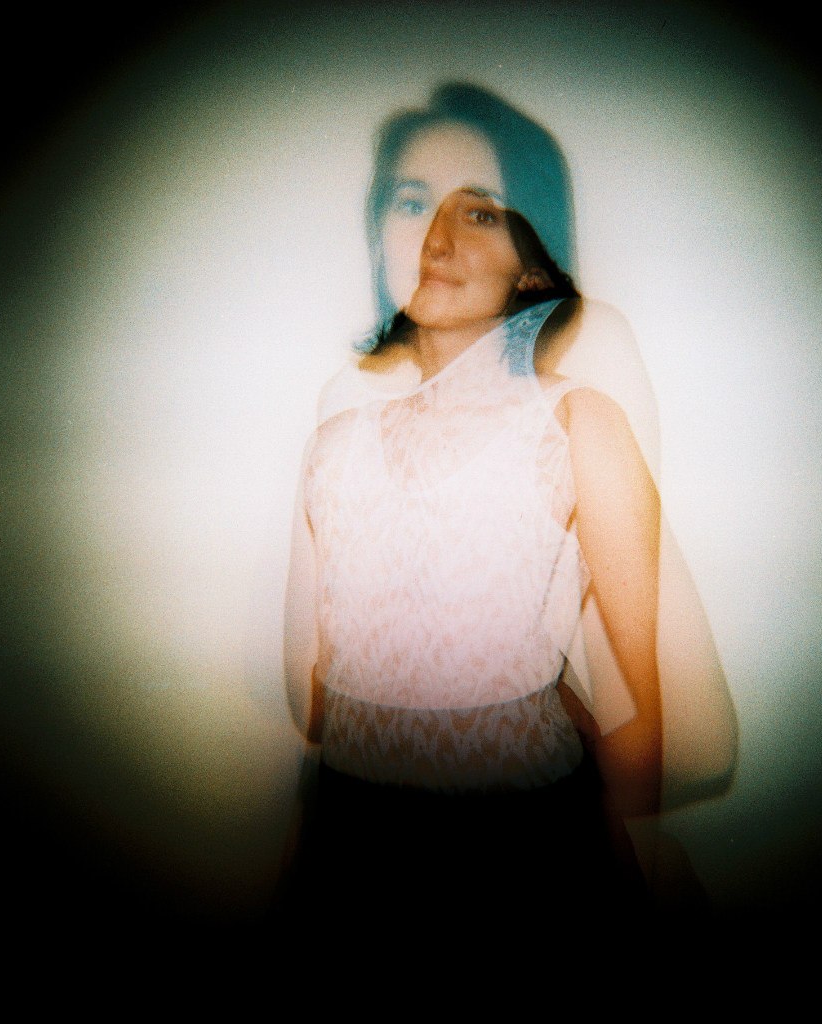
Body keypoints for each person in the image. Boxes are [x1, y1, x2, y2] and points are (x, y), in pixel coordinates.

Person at [278, 85, 734, 939]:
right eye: (411, 201)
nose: (438, 235)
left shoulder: (577, 418)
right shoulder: (336, 428)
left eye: (481, 211)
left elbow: (668, 725)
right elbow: (316, 699)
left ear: (532, 260)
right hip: (349, 845)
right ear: (379, 235)